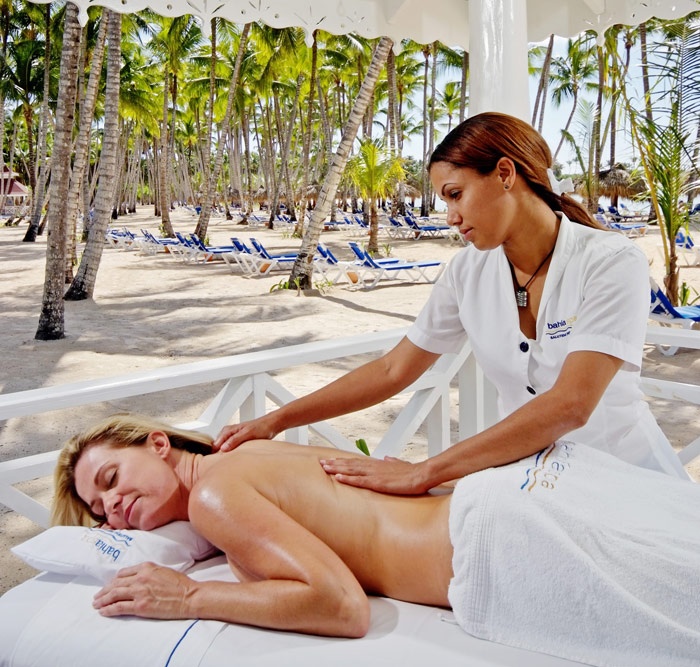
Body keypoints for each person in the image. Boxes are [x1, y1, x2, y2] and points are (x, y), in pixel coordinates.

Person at [213, 112, 687, 489]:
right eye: (445, 201)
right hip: (533, 485)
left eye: (456, 195)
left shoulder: (610, 261)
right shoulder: (466, 272)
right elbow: (393, 370)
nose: (451, 217)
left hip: (627, 479)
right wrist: (277, 419)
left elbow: (571, 404)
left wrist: (426, 472)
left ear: (505, 173)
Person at [52, 414, 700, 666]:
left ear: (157, 444)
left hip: (499, 536)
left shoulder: (213, 496)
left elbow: (340, 605)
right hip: (522, 490)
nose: (113, 505)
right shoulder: (245, 455)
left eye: (110, 478)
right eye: (100, 511)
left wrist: (190, 596)